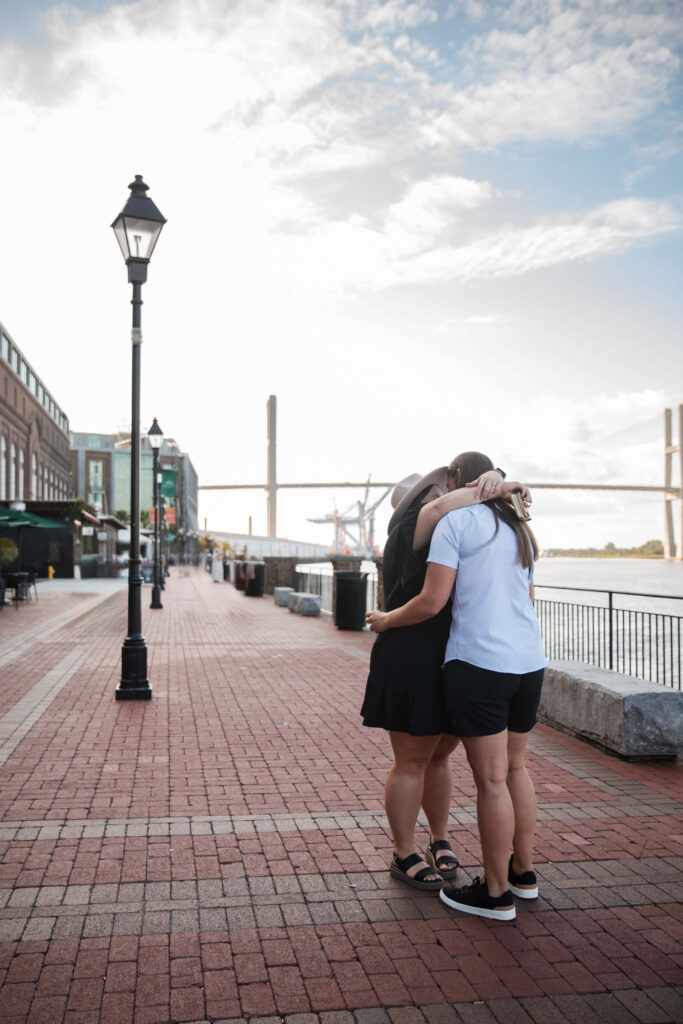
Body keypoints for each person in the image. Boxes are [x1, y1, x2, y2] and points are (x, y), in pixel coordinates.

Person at [367, 451, 544, 919]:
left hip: (455, 660)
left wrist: (498, 481)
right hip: (410, 655)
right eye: (435, 493)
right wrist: (500, 482)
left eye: (447, 489)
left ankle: (440, 840)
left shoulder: (473, 525)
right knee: (413, 760)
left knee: (443, 757)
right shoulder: (417, 528)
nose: (445, 496)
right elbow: (430, 596)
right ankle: (405, 851)